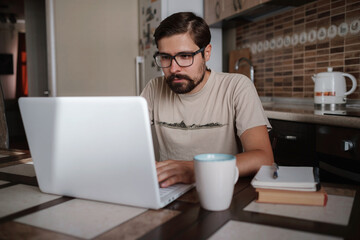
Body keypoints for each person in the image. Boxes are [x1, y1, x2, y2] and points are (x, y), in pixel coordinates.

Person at [140, 12, 274, 188]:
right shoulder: (154, 88)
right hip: (169, 191)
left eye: (185, 56)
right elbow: (123, 141)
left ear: (207, 53)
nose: (174, 68)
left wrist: (198, 169)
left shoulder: (236, 87)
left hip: (220, 189)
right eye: (165, 57)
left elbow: (263, 157)